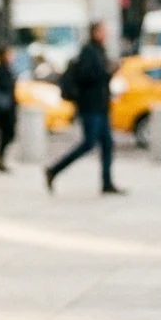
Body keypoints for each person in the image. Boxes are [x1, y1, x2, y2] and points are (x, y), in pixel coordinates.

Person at [45, 22, 125, 195]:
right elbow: (86, 76)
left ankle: (107, 182)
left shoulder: (99, 50)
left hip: (101, 105)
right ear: (95, 32)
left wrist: (109, 72)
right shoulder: (88, 52)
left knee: (107, 144)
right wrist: (106, 72)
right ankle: (54, 169)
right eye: (104, 31)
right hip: (90, 106)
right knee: (89, 143)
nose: (106, 34)